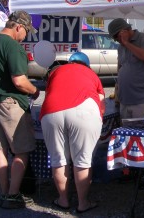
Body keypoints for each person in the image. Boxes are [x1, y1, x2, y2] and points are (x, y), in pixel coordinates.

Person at [0, 10, 40, 210]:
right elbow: (19, 81)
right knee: (21, 150)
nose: (25, 36)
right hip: (11, 103)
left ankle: (4, 191)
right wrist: (35, 91)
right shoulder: (13, 46)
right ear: (18, 27)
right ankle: (14, 195)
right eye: (26, 32)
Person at [40, 52, 104, 213]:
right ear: (86, 65)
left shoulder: (56, 71)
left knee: (58, 159)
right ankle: (83, 203)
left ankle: (63, 200)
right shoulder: (90, 73)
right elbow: (101, 99)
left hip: (51, 112)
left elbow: (48, 94)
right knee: (83, 159)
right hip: (84, 111)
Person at [108, 18, 144, 119]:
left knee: (143, 133)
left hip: (142, 102)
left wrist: (127, 43)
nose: (116, 40)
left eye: (116, 37)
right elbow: (120, 67)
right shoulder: (121, 47)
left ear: (124, 31)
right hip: (125, 101)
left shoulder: (143, 38)